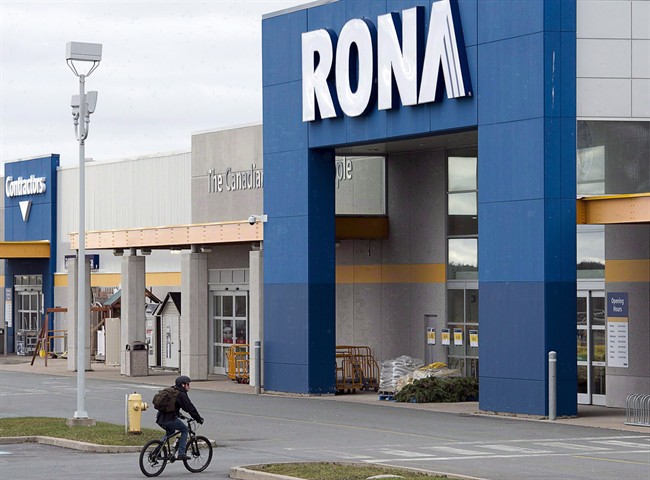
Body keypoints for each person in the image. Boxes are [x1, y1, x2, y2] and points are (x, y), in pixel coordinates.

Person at [156, 375, 204, 460]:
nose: (189, 386)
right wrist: (198, 418)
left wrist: (179, 415)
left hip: (160, 418)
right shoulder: (181, 394)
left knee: (170, 432)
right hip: (169, 419)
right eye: (188, 384)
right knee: (185, 429)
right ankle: (181, 453)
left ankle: (157, 451)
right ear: (183, 384)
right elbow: (190, 407)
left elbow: (172, 407)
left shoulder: (172, 390)